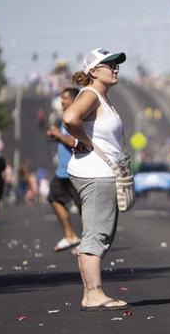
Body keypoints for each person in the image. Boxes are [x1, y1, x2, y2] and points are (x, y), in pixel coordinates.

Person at [63, 48, 130, 312]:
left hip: (96, 172)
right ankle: (94, 294)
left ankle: (91, 293)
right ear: (93, 71)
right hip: (96, 174)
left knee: (97, 232)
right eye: (109, 64)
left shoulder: (101, 98)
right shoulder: (90, 94)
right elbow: (69, 118)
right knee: (96, 234)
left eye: (116, 64)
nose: (115, 68)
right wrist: (87, 141)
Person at [46, 87, 82, 252]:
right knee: (54, 198)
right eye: (61, 98)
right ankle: (70, 236)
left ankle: (88, 242)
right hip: (63, 171)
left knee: (82, 207)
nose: (62, 101)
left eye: (65, 98)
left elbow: (74, 142)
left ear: (75, 99)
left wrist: (59, 136)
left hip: (76, 170)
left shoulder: (76, 117)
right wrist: (56, 135)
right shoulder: (65, 117)